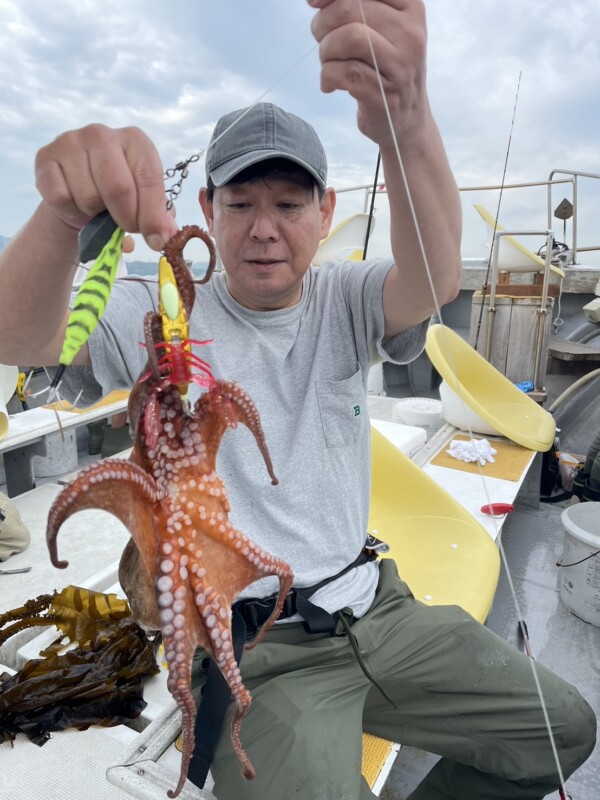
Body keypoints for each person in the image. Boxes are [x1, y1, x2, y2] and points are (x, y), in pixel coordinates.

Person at [0, 2, 595, 798]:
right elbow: (24, 337)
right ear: (206, 212)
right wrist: (61, 214)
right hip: (258, 646)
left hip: (376, 604)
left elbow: (436, 277)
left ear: (324, 214)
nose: (263, 229)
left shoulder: (345, 300)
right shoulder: (159, 320)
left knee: (562, 727)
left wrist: (407, 120)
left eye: (287, 204)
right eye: (240, 204)